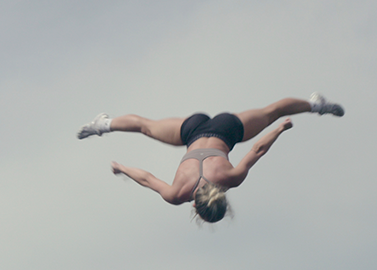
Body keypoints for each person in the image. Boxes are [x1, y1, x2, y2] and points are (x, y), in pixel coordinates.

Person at [76, 94, 344, 222]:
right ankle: (103, 125)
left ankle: (316, 106)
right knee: (145, 126)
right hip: (191, 132)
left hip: (227, 130)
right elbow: (146, 178)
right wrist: (120, 168)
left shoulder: (231, 178)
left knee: (273, 111)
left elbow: (257, 151)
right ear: (195, 207)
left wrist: (280, 129)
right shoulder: (177, 194)